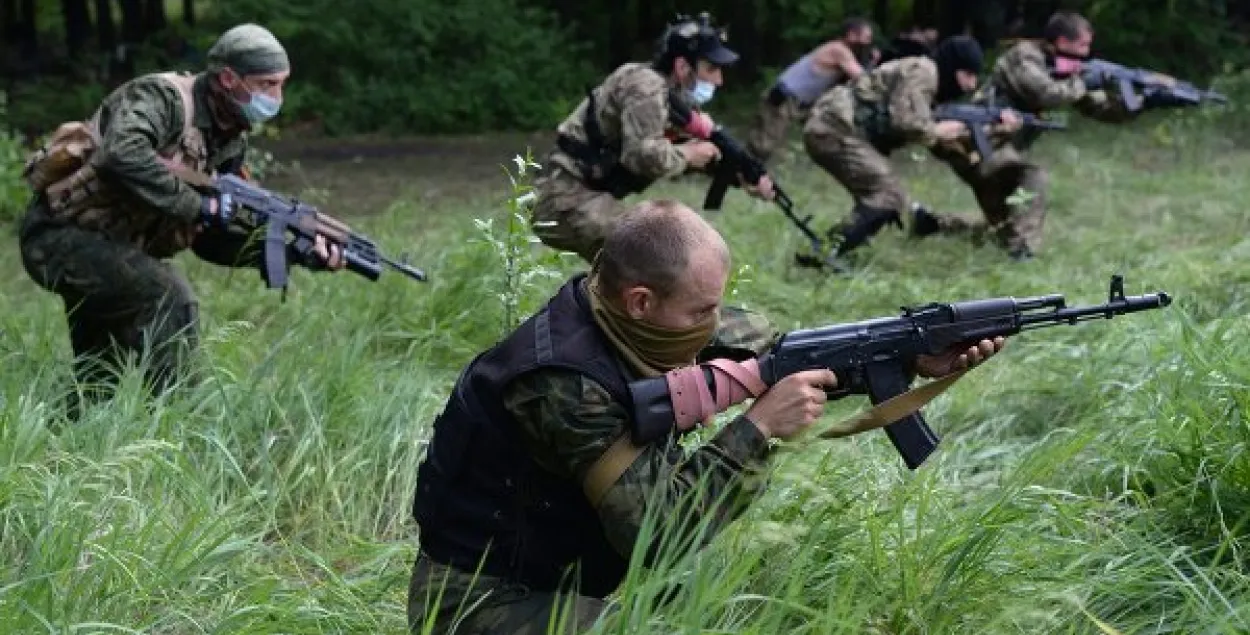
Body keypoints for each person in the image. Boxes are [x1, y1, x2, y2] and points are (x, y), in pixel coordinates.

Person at [407, 198, 1008, 634]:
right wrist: (757, 429)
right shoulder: (563, 384)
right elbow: (658, 536)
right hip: (479, 601)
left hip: (572, 575)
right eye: (703, 310)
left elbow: (785, 355)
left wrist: (909, 358)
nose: (716, 326)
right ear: (640, 300)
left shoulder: (637, 318)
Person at [18, 23, 345, 418]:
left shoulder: (228, 140)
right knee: (169, 298)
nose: (277, 97)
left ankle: (69, 447)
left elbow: (211, 238)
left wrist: (296, 251)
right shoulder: (164, 98)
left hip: (114, 248)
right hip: (58, 236)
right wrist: (198, 206)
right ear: (228, 78)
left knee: (99, 377)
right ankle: (177, 428)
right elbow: (123, 152)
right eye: (266, 84)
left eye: (282, 84)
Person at [529, 12, 775, 264]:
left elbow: (682, 150)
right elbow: (643, 156)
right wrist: (690, 155)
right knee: (648, 257)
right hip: (563, 198)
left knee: (644, 263)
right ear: (682, 67)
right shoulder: (646, 88)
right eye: (711, 69)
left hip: (583, 196)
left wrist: (740, 176)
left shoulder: (673, 99)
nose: (719, 80)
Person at [912, 12, 1136, 260]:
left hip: (996, 146)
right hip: (977, 141)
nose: (1087, 53)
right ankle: (1024, 252)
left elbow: (1098, 109)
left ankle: (932, 224)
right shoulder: (1025, 57)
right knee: (1032, 176)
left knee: (1004, 231)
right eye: (1082, 45)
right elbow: (1047, 94)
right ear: (1062, 41)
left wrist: (1136, 100)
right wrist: (1083, 82)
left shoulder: (1066, 71)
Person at [800, 35, 1022, 265]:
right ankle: (825, 253)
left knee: (889, 200)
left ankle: (831, 252)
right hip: (834, 129)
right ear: (953, 68)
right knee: (887, 196)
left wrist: (996, 130)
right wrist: (938, 130)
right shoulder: (925, 72)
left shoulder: (933, 93)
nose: (971, 85)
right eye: (968, 75)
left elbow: (951, 148)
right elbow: (906, 122)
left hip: (838, 130)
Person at [745, 17, 878, 163]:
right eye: (866, 38)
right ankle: (740, 172)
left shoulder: (840, 50)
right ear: (851, 34)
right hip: (785, 97)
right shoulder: (839, 50)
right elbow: (860, 78)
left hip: (795, 99)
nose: (868, 43)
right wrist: (872, 63)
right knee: (762, 144)